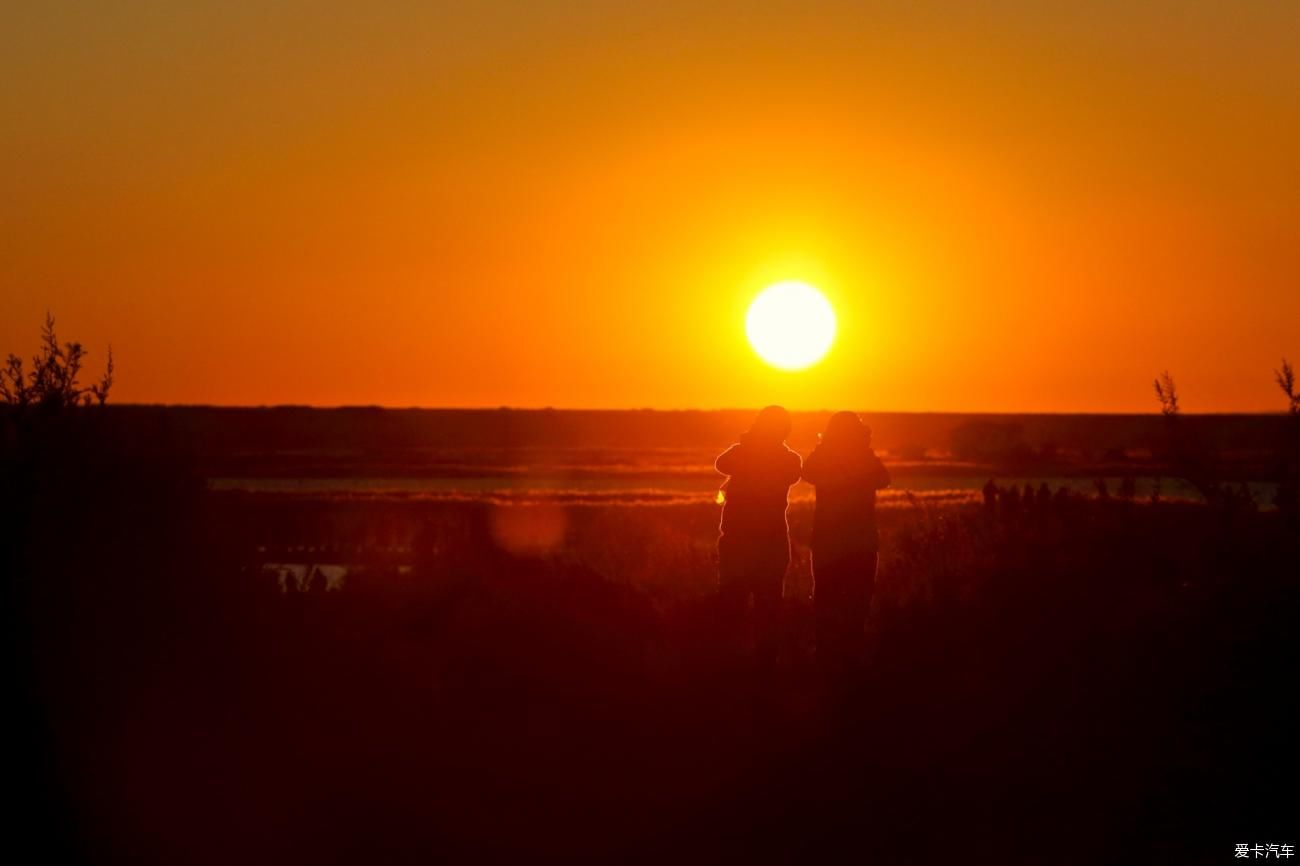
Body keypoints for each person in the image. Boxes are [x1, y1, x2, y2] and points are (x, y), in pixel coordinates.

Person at [801, 411, 890, 673]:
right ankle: (851, 661)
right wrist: (864, 449)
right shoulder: (864, 457)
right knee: (858, 603)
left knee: (825, 601)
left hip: (829, 541)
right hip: (860, 541)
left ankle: (826, 660)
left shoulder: (825, 456)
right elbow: (884, 479)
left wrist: (825, 445)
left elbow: (808, 471)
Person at [714, 405, 802, 666]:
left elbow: (723, 463)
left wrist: (749, 443)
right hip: (769, 540)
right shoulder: (789, 459)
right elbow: (723, 464)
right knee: (768, 603)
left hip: (741, 539)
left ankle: (732, 660)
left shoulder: (747, 454)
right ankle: (764, 662)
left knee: (734, 601)